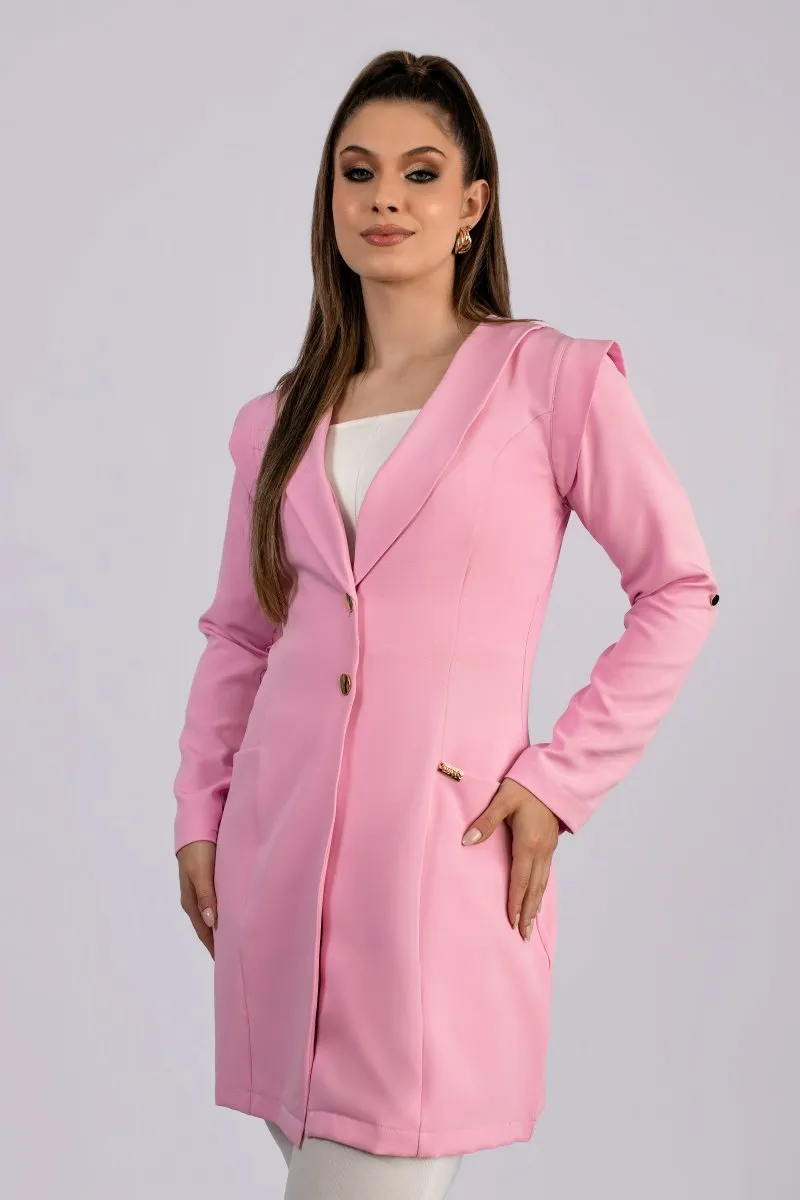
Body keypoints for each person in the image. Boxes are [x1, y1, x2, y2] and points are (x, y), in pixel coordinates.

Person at [173, 50, 719, 1200]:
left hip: (436, 873)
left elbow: (677, 587)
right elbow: (241, 637)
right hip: (275, 874)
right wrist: (200, 814)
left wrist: (559, 780)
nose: (385, 198)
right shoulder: (274, 422)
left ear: (472, 204)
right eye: (357, 172)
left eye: (420, 173)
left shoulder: (550, 382)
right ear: (328, 200)